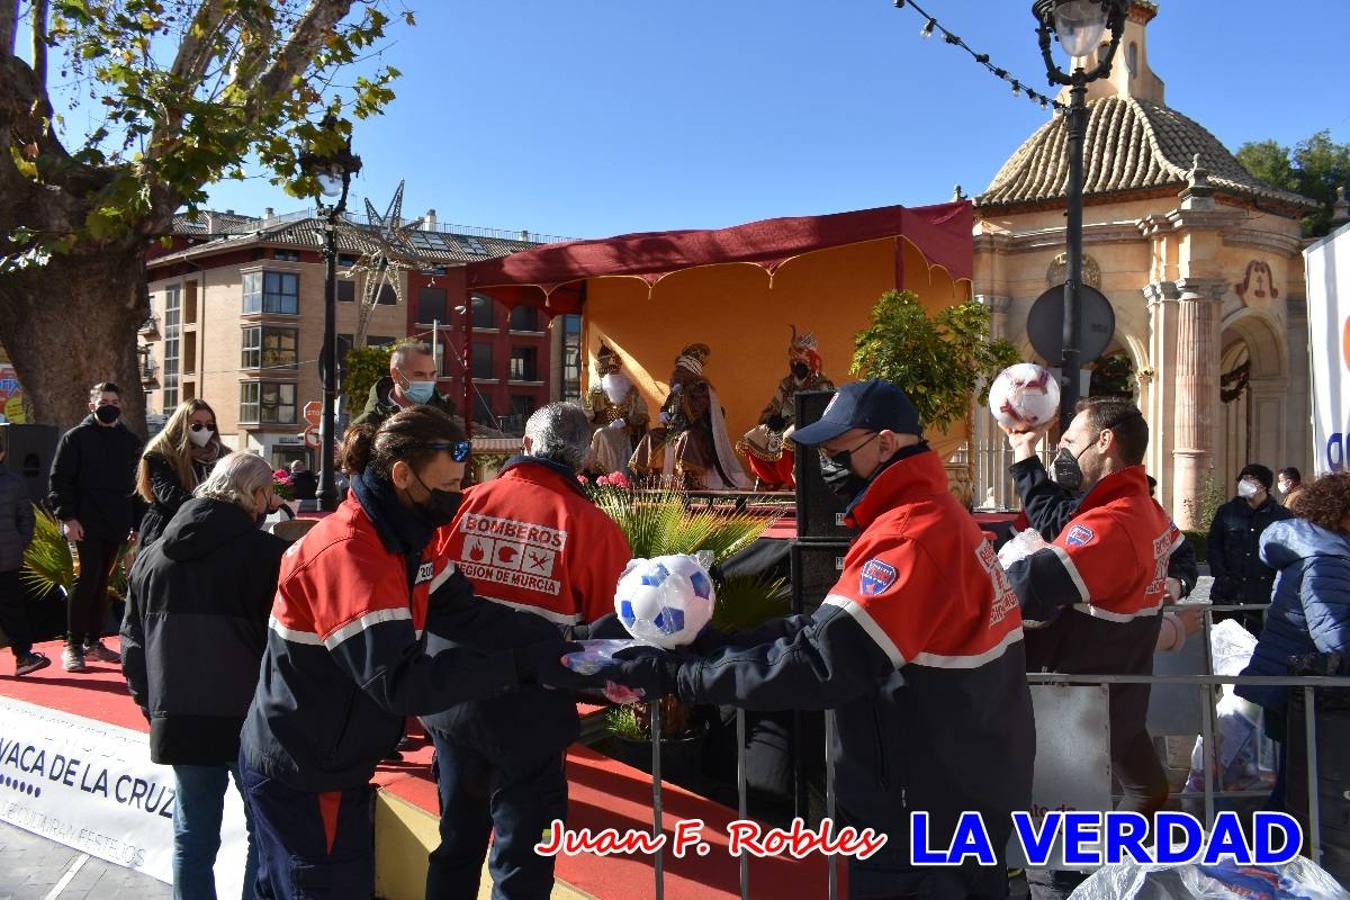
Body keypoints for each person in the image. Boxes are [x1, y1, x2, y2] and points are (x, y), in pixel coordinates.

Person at [585, 380, 1035, 898]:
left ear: (886, 444)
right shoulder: (932, 517)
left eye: (837, 451)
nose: (825, 465)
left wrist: (679, 675)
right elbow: (825, 629)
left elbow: (822, 664)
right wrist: (716, 646)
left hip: (918, 810)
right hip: (959, 787)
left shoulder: (911, 538)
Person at [237, 407, 578, 899]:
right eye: (445, 488)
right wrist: (519, 667)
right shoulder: (352, 553)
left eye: (460, 484)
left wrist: (559, 639)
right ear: (402, 475)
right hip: (305, 772)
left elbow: (463, 611)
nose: (454, 499)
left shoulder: (407, 537)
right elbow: (399, 683)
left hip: (328, 758)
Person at [424, 402, 631, 898]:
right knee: (524, 862)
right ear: (582, 462)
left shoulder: (464, 503)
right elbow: (610, 635)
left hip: (451, 701)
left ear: (526, 445)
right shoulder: (594, 529)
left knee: (455, 845)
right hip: (531, 719)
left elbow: (422, 588)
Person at [1002, 399, 1176, 897]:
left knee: (1054, 866)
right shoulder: (1144, 510)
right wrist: (1024, 453)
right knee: (1149, 794)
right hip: (1112, 703)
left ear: (1105, 443)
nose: (1064, 452)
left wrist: (1001, 569)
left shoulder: (1113, 522)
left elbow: (1027, 587)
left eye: (1070, 442)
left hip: (1072, 714)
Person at [121, 451, 287, 900]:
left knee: (192, 836)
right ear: (255, 495)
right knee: (265, 833)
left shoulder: (152, 558)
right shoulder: (269, 556)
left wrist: (151, 704)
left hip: (179, 715)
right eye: (269, 494)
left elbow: (131, 645)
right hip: (250, 720)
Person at [1236, 474, 1350, 881]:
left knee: (1296, 789)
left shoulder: (1322, 552)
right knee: (1300, 793)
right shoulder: (1326, 560)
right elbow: (1336, 635)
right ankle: (1277, 874)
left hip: (1302, 691)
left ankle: (1273, 869)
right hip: (1308, 694)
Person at [48, 382, 144, 673]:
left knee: (102, 582)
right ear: (92, 405)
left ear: (121, 405)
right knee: (86, 579)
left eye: (114, 400)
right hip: (83, 524)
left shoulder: (129, 441)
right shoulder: (75, 438)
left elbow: (138, 485)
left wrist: (137, 524)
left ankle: (93, 642)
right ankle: (73, 646)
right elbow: (59, 480)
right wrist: (68, 518)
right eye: (104, 400)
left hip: (115, 524)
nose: (109, 405)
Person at [629, 343, 750, 490]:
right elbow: (668, 406)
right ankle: (647, 478)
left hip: (697, 432)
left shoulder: (700, 388)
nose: (675, 374)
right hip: (673, 432)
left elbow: (694, 414)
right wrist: (663, 412)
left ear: (688, 371)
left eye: (680, 371)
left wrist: (683, 394)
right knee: (652, 435)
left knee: (687, 437)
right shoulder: (676, 389)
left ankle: (688, 480)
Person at [738, 325, 834, 490]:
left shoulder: (822, 384)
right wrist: (771, 419)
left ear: (810, 361)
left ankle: (794, 479)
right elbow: (774, 405)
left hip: (808, 424)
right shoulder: (786, 383)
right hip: (783, 423)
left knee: (789, 437)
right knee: (751, 437)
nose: (796, 364)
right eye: (794, 361)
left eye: (801, 361)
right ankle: (770, 478)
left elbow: (825, 410)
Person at [1207, 464, 1293, 634]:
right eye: (1242, 479)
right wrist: (1221, 574)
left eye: (1249, 480)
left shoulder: (1281, 516)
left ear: (1263, 486)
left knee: (1262, 646)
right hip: (1228, 594)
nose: (1243, 483)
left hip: (1263, 595)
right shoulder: (1227, 512)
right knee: (1226, 645)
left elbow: (1288, 553)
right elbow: (1214, 546)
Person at [136, 399, 223, 550]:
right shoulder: (161, 454)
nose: (205, 430)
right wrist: (207, 508)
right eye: (196, 426)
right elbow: (169, 494)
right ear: (181, 425)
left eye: (210, 425)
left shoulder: (221, 455)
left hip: (206, 529)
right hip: (166, 529)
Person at [0, 441, 45, 676]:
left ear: (3, 454)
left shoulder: (13, 482)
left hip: (7, 559)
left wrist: (20, 543)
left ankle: (24, 657)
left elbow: (26, 517)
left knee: (12, 610)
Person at [351, 340, 457, 428]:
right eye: (419, 374)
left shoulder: (444, 417)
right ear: (396, 375)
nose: (428, 381)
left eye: (432, 374)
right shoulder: (367, 425)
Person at [583, 343, 649, 475]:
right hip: (600, 431)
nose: (614, 373)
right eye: (611, 370)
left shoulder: (632, 391)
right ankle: (602, 475)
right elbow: (585, 414)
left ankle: (621, 477)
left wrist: (627, 421)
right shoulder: (594, 391)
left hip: (627, 433)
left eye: (616, 370)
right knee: (602, 434)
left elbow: (643, 415)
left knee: (606, 435)